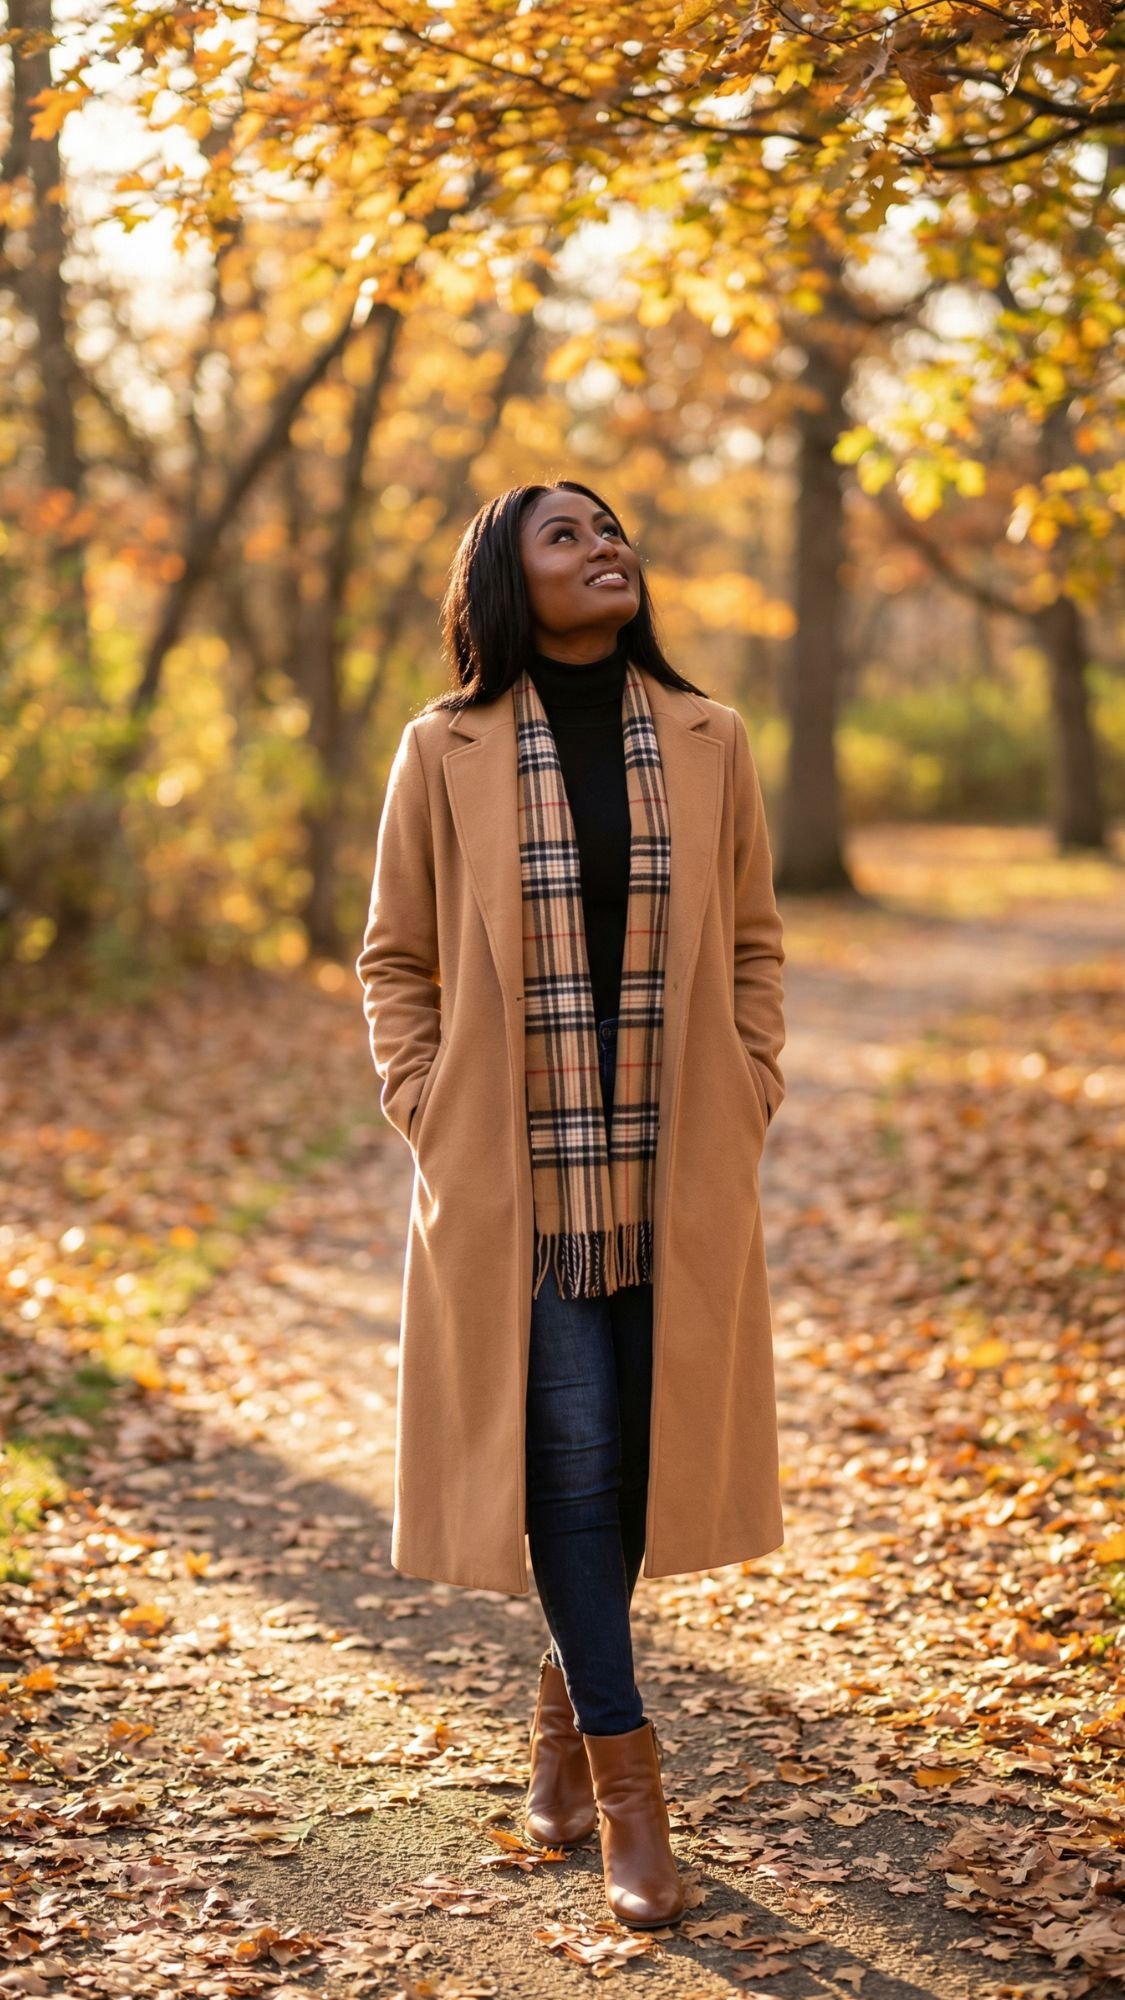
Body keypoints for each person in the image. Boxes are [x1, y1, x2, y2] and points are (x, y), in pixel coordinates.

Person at [356, 479, 786, 1931]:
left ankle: (556, 1711)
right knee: (577, 1464)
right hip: (510, 1177)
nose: (606, 548)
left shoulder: (711, 739)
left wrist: (752, 1078)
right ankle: (626, 1790)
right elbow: (393, 961)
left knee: (648, 1471)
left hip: (675, 1163)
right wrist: (426, 1105)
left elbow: (753, 941)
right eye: (566, 535)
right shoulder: (443, 746)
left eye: (612, 531)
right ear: (505, 578)